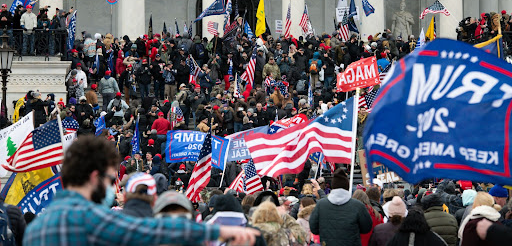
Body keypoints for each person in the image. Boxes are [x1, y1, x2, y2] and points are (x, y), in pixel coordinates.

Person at [23, 136, 259, 245]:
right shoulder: (90, 219)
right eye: (109, 178)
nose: (110, 186)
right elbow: (154, 229)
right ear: (95, 178)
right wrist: (216, 232)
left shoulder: (34, 230)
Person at [309, 168, 373, 246]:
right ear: (347, 186)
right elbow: (367, 228)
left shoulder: (321, 205)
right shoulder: (358, 206)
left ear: (333, 186)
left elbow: (313, 228)